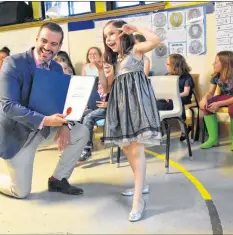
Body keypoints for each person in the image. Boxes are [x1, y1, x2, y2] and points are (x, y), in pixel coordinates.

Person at [0, 22, 89, 199]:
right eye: (44, 41)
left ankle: (58, 179)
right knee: (20, 191)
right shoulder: (13, 63)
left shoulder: (56, 68)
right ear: (37, 39)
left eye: (54, 44)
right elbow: (9, 105)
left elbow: (58, 103)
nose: (47, 47)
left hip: (42, 130)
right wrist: (46, 121)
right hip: (16, 134)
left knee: (81, 131)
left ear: (59, 47)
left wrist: (65, 126)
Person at [98, 20, 161, 222]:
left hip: (138, 104)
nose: (108, 39)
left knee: (136, 149)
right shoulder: (115, 60)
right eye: (105, 36)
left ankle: (137, 200)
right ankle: (141, 185)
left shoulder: (136, 50)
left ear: (123, 33)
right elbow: (107, 89)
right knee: (126, 148)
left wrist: (135, 29)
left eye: (112, 34)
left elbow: (155, 39)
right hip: (120, 106)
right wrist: (102, 71)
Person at [199, 51, 233, 151]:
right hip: (224, 96)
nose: (213, 64)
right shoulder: (215, 76)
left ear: (225, 64)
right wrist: (204, 98)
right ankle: (213, 139)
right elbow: (210, 93)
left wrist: (218, 103)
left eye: (216, 62)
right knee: (206, 106)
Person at [157, 54, 195, 141]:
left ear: (175, 65)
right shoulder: (167, 75)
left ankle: (184, 128)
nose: (165, 66)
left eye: (167, 64)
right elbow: (164, 89)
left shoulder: (186, 77)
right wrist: (165, 96)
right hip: (170, 98)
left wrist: (173, 96)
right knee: (156, 104)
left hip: (183, 97)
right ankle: (159, 131)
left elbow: (186, 93)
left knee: (177, 102)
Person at [79, 47, 108, 162]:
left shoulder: (106, 69)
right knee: (77, 116)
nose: (92, 55)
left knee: (88, 118)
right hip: (91, 103)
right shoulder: (85, 68)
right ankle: (77, 148)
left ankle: (86, 148)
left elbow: (109, 90)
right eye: (90, 53)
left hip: (104, 105)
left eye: (95, 53)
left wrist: (108, 103)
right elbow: (83, 87)